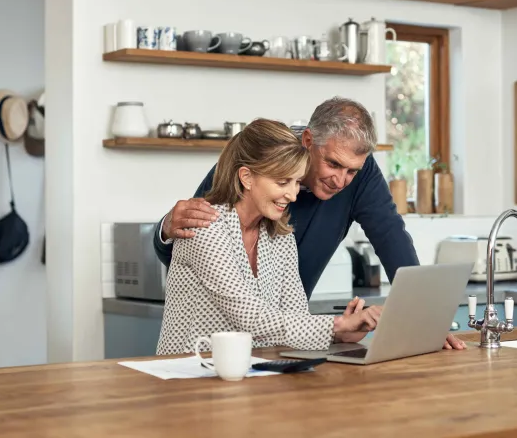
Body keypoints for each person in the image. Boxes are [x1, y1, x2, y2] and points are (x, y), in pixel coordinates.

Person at [154, 97, 466, 351]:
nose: (341, 181)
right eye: (333, 164)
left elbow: (390, 235)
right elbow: (192, 234)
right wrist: (167, 228)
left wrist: (424, 321)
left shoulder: (281, 232)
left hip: (260, 358)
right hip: (194, 362)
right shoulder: (253, 164)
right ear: (308, 142)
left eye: (352, 171)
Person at [156, 119, 382, 355]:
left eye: (296, 182)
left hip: (250, 375)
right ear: (247, 177)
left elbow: (295, 320)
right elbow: (250, 316)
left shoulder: (280, 236)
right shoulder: (206, 228)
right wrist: (337, 325)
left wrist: (340, 334)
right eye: (282, 182)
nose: (293, 195)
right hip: (187, 374)